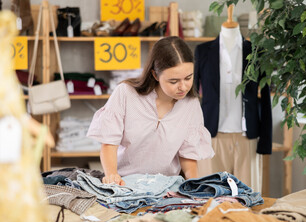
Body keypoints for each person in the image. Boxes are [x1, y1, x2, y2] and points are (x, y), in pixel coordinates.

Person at [87, 36, 214, 185]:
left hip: (166, 188)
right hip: (126, 184)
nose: (183, 87)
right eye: (174, 81)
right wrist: (112, 175)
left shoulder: (191, 104)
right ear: (155, 75)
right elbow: (109, 143)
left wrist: (195, 185)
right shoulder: (125, 94)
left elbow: (188, 155)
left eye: (188, 78)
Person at [193, 5, 272, 192]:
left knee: (247, 198)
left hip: (248, 137)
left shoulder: (256, 52)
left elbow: (266, 97)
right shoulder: (203, 51)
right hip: (211, 136)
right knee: (211, 197)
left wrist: (265, 140)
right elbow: (193, 96)